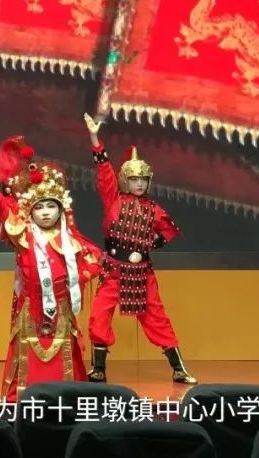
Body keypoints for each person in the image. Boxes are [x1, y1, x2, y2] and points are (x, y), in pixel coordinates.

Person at [0, 136, 103, 400]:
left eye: (51, 206)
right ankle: (22, 401)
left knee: (66, 353)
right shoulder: (23, 234)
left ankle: (68, 399)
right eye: (40, 207)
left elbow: (94, 261)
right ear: (30, 211)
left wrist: (78, 278)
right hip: (31, 309)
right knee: (27, 352)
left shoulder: (70, 240)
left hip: (62, 309)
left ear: (60, 209)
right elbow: (1, 209)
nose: (45, 212)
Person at [83, 114, 197, 385]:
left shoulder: (154, 209)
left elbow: (169, 231)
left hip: (142, 273)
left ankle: (179, 368)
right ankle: (98, 368)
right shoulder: (113, 200)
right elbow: (104, 172)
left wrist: (146, 245)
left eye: (143, 180)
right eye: (134, 179)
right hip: (113, 270)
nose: (139, 184)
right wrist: (95, 139)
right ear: (125, 180)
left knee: (157, 318)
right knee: (99, 315)